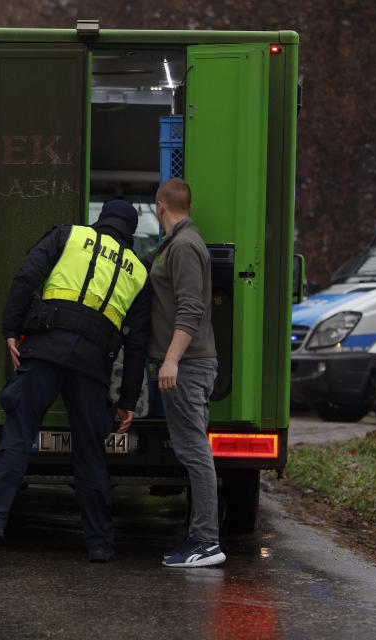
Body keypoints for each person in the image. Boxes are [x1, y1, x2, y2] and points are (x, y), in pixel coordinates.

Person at [0, 200, 151, 562]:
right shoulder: (138, 271)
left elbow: (27, 277)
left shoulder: (68, 236)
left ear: (100, 220)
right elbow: (138, 344)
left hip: (45, 349)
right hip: (92, 366)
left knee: (18, 432)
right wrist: (127, 401)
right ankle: (99, 543)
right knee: (90, 453)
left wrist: (11, 329)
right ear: (131, 233)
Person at [148, 178, 225, 568]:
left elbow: (191, 309)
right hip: (189, 363)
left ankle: (206, 542)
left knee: (195, 452)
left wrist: (171, 360)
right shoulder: (177, 243)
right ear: (188, 207)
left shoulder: (183, 246)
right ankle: (201, 538)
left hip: (189, 365)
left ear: (159, 206)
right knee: (192, 450)